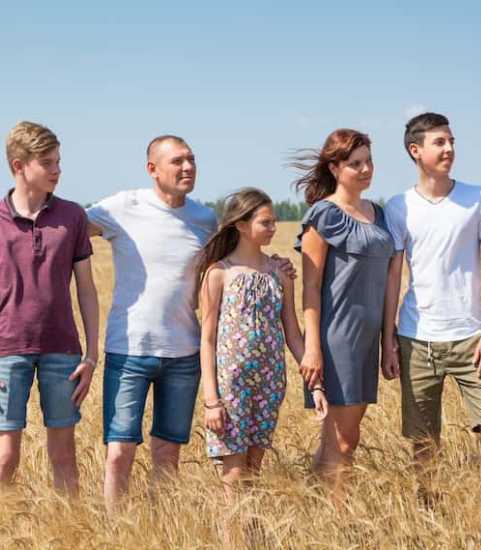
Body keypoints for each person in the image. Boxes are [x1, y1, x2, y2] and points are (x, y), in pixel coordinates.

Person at [87, 136, 295, 511]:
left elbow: (238, 260)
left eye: (192, 160)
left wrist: (278, 265)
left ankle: (165, 526)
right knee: (119, 452)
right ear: (152, 169)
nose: (187, 168)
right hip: (128, 348)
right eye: (177, 161)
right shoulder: (121, 206)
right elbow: (66, 233)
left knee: (168, 452)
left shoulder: (204, 219)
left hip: (184, 353)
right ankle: (113, 530)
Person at [382, 112, 481, 499]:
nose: (450, 149)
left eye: (451, 141)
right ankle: (430, 516)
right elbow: (393, 275)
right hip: (415, 338)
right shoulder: (398, 206)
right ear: (415, 150)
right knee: (424, 442)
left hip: (473, 338)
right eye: (440, 142)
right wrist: (388, 337)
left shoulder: (479, 197)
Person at [198, 188, 327, 496]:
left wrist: (316, 384)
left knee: (254, 473)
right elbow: (207, 340)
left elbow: (293, 333)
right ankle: (231, 542)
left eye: (274, 222)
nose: (273, 228)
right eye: (265, 223)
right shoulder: (218, 273)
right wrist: (211, 401)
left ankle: (253, 535)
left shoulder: (279, 273)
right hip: (231, 386)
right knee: (232, 474)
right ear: (242, 225)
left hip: (270, 384)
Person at [293, 129, 394, 495]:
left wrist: (388, 341)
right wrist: (313, 348)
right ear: (335, 168)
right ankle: (334, 515)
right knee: (345, 438)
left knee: (340, 437)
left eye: (369, 161)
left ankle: (317, 507)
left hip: (368, 339)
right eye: (355, 164)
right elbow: (310, 288)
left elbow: (389, 282)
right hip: (338, 338)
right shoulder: (324, 215)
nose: (366, 169)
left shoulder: (379, 214)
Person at [0, 121, 99, 496]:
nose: (57, 170)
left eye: (58, 161)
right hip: (5, 351)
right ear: (18, 165)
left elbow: (87, 290)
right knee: (5, 457)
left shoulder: (72, 216)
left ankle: (68, 531)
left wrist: (91, 355)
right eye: (47, 163)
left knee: (64, 455)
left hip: (63, 351)